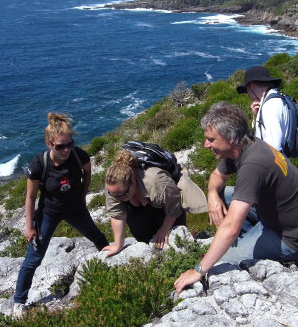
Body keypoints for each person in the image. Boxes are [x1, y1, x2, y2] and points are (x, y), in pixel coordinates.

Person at [174, 102, 298, 295]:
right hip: (282, 219)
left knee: (221, 260)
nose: (206, 145)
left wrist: (199, 270)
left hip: (295, 237)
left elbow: (230, 228)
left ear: (231, 139)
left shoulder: (252, 164)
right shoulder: (244, 145)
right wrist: (212, 195)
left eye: (211, 139)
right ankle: (243, 241)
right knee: (223, 194)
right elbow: (216, 177)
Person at [13, 113, 108, 315]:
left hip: (75, 209)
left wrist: (83, 195)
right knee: (34, 258)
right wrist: (29, 226)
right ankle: (19, 301)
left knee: (99, 238)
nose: (66, 150)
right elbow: (30, 198)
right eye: (60, 146)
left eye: (69, 144)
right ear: (49, 143)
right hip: (49, 213)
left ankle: (112, 271)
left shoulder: (79, 155)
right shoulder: (39, 164)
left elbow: (87, 173)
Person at [103, 148, 207, 256]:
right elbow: (117, 215)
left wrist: (165, 228)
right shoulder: (114, 187)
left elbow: (174, 202)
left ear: (133, 182)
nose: (117, 199)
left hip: (164, 209)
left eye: (122, 195)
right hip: (137, 211)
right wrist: (118, 245)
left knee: (176, 243)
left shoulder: (156, 181)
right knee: (146, 245)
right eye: (113, 195)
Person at [236, 65, 288, 153]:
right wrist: (256, 116)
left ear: (251, 86)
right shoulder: (278, 98)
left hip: (273, 164)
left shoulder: (269, 106)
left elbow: (275, 147)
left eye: (246, 90)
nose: (248, 95)